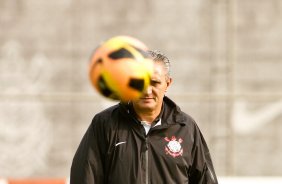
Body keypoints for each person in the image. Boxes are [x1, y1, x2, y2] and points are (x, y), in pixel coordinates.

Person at [70, 50, 218, 184]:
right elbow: (84, 177)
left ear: (168, 83)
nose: (147, 91)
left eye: (154, 83)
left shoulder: (186, 128)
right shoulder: (104, 124)